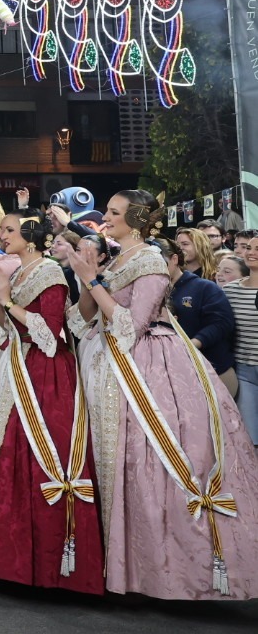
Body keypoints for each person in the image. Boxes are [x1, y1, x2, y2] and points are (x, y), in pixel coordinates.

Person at [70, 190, 258, 598]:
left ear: (136, 220)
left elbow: (130, 326)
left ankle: (157, 572)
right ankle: (106, 565)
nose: (107, 219)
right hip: (102, 364)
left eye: (115, 213)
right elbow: (82, 319)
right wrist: (88, 279)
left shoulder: (151, 259)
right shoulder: (117, 257)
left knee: (145, 461)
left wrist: (92, 280)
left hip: (147, 368)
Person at [0, 212, 103, 591]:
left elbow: (52, 332)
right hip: (15, 362)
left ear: (31, 238)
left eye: (9, 230)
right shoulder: (20, 273)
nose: (0, 235)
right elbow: (3, 325)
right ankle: (6, 559)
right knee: (7, 454)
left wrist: (7, 302)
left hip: (44, 374)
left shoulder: (49, 274)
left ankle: (46, 565)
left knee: (34, 453)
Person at [165, 240, 239, 397]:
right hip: (175, 374)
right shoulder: (151, 291)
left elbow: (221, 323)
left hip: (213, 369)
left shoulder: (204, 287)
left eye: (159, 263)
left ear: (174, 259)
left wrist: (193, 344)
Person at [221, 254, 258, 446]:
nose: (252, 252)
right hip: (244, 369)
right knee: (249, 436)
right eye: (249, 248)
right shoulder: (230, 291)